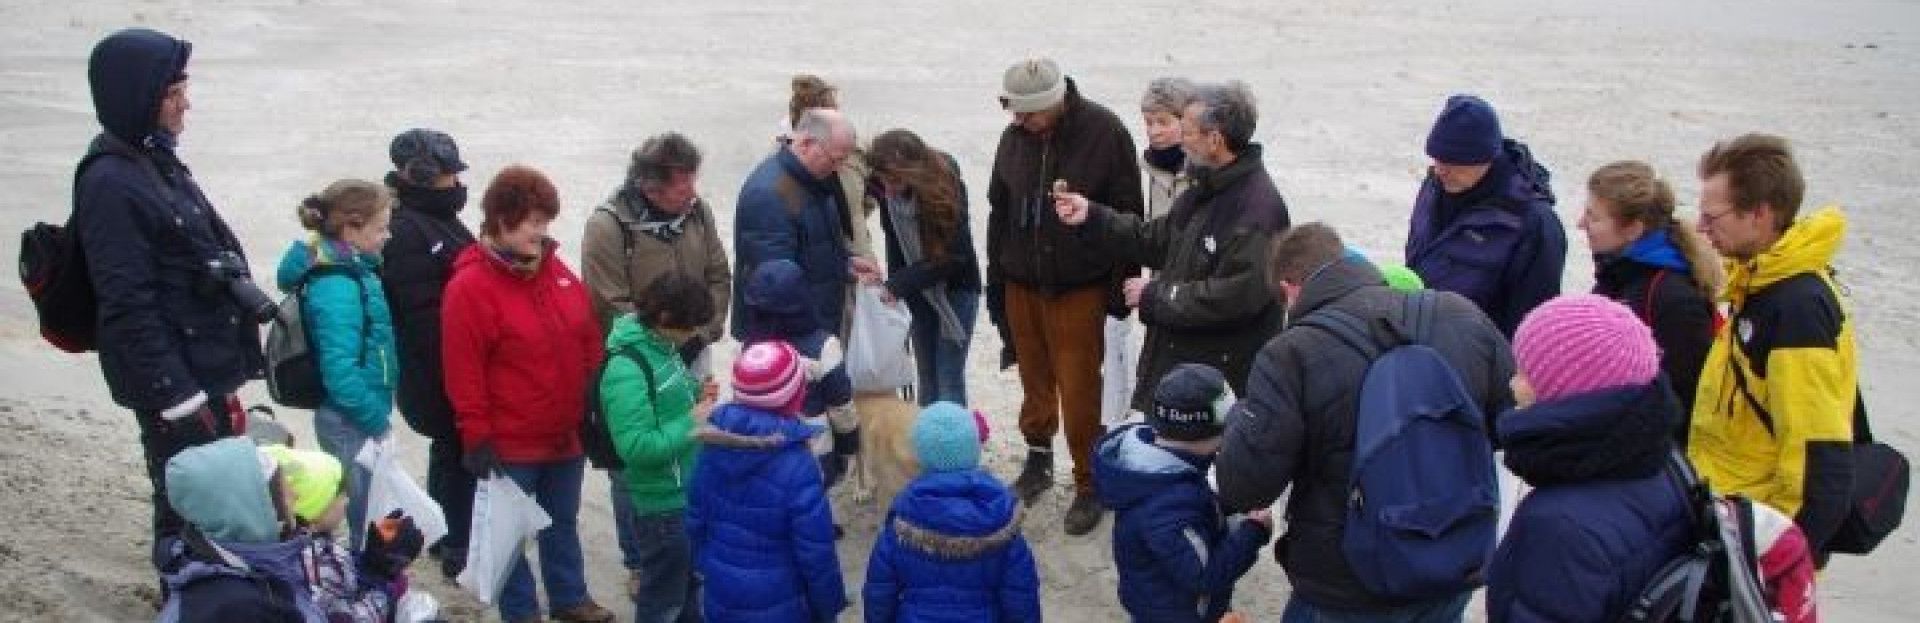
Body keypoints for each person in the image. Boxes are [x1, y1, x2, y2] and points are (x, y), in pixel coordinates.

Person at [1216, 223, 1514, 621]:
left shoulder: (1291, 354)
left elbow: (1245, 486)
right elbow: (1505, 424)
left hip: (1348, 580)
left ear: (1290, 288)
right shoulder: (1460, 314)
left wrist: (1242, 420)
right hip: (1450, 554)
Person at [73, 28, 267, 568]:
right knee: (188, 499)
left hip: (200, 365)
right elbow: (126, 300)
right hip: (176, 379)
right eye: (173, 91)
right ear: (138, 95)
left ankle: (204, 592)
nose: (186, 102)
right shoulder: (110, 181)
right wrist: (177, 396)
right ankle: (187, 595)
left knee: (206, 495)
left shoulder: (151, 157)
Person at [441, 165, 614, 623]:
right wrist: (475, 434)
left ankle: (570, 598)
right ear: (501, 221)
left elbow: (586, 331)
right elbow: (464, 371)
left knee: (561, 522)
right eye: (534, 221)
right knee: (511, 534)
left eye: (546, 221)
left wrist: (595, 395)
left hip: (565, 432)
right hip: (510, 441)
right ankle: (521, 613)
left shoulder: (552, 267)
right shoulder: (469, 288)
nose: (543, 232)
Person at [1056, 80, 1291, 411]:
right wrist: (1093, 216)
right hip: (1181, 368)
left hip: (1216, 386)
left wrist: (1155, 295)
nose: (1182, 140)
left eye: (1189, 130)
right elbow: (1155, 240)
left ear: (1215, 140)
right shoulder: (1205, 187)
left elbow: (1235, 299)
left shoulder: (1257, 212)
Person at [986, 56, 1145, 535]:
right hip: (1022, 282)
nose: (1019, 121)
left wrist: (1119, 295)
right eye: (1014, 112)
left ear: (1054, 103)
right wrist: (998, 277)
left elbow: (1128, 213)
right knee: (1034, 378)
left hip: (1079, 287)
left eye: (1028, 113)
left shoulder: (1105, 132)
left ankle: (1089, 482)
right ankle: (1037, 461)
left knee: (1080, 389)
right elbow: (999, 208)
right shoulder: (1013, 138)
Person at [1687, 133, 1857, 561]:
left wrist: (1780, 563)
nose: (1701, 229)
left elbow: (1817, 457)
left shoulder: (1796, 309)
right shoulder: (1757, 285)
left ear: (1759, 215)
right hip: (1731, 517)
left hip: (1759, 539)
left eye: (1712, 217)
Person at [580, 132, 732, 598]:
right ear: (650, 187)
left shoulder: (697, 212)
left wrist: (700, 332)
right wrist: (661, 342)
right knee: (634, 466)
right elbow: (609, 300)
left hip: (691, 343)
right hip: (642, 356)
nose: (692, 192)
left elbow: (718, 275)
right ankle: (640, 559)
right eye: (681, 185)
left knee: (693, 442)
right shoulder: (608, 227)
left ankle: (688, 537)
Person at [1484, 295, 1692, 621]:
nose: (1512, 385)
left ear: (1562, 391)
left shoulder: (1557, 525)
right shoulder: (1666, 464)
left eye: (1525, 373)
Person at [156, 438, 423, 622]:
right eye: (284, 490)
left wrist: (371, 565)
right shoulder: (239, 606)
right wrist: (381, 581)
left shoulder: (261, 563)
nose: (295, 496)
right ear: (254, 507)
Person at [1094, 364, 1273, 623]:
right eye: (1226, 432)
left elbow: (1194, 503)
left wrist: (1224, 504)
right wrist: (1254, 531)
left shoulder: (1158, 468)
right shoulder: (1167, 507)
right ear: (1202, 437)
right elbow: (1205, 575)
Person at [274, 179, 398, 550]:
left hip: (356, 411)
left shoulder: (354, 271)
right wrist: (376, 419)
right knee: (360, 507)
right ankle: (362, 581)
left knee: (367, 504)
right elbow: (340, 371)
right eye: (380, 228)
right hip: (349, 417)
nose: (387, 235)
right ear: (351, 228)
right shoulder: (338, 286)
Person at [687, 341, 848, 621]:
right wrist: (828, 607)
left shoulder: (712, 446)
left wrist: (711, 569)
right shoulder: (799, 466)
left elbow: (694, 522)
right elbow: (815, 551)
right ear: (796, 397)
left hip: (722, 594)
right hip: (783, 602)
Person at [379, 127, 478, 579]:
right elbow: (424, 321)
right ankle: (452, 538)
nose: (455, 183)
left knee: (456, 451)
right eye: (446, 175)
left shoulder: (432, 218)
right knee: (454, 450)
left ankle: (454, 533)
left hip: (450, 364)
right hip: (435, 371)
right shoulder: (406, 229)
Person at [599, 272, 720, 623]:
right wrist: (692, 420)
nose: (694, 335)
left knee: (689, 589)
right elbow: (635, 446)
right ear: (665, 318)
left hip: (685, 491)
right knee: (663, 599)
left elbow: (667, 404)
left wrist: (697, 396)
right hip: (661, 504)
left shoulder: (663, 349)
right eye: (689, 327)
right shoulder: (626, 368)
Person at [1403, 94, 1565, 336]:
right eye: (1437, 159)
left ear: (1486, 158)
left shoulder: (1533, 225)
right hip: (1424, 341)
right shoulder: (1435, 186)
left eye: (1453, 163)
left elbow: (1533, 322)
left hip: (1484, 360)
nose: (1440, 170)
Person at [864, 402, 1041, 622]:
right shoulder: (1001, 522)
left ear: (921, 455)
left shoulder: (901, 522)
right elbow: (1021, 600)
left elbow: (879, 596)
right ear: (974, 449)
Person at [1579, 161, 1724, 425]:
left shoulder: (1674, 298)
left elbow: (1683, 400)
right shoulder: (1619, 274)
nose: (1580, 224)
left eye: (1593, 217)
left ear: (1634, 228)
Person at [733, 108, 879, 341]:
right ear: (806, 143)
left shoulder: (815, 180)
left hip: (815, 324)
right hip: (787, 337)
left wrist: (845, 265)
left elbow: (814, 249)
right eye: (836, 159)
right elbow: (774, 285)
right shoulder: (770, 195)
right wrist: (811, 342)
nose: (838, 169)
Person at [867, 129, 982, 406]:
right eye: (885, 181)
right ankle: (926, 443)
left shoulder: (945, 185)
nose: (889, 189)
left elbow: (955, 256)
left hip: (956, 291)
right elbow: (894, 243)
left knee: (948, 376)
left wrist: (898, 285)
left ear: (914, 171)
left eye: (895, 180)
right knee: (926, 375)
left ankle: (952, 447)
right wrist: (895, 295)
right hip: (917, 290)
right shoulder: (887, 191)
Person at [259, 444, 427, 622]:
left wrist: (368, 562)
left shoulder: (300, 547)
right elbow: (345, 618)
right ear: (314, 510)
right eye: (339, 493)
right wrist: (383, 582)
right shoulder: (312, 561)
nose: (346, 500)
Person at [740, 260, 858, 487]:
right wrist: (848, 446)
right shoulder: (824, 346)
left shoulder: (751, 349)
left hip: (763, 451)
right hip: (813, 452)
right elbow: (841, 407)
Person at [778, 74, 881, 272]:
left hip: (851, 260)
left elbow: (868, 197)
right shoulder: (850, 153)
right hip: (840, 262)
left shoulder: (781, 160)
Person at [1139, 77, 1196, 219]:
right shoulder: (1149, 168)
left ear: (1189, 121)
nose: (1154, 131)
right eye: (1149, 122)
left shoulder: (1209, 172)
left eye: (1163, 122)